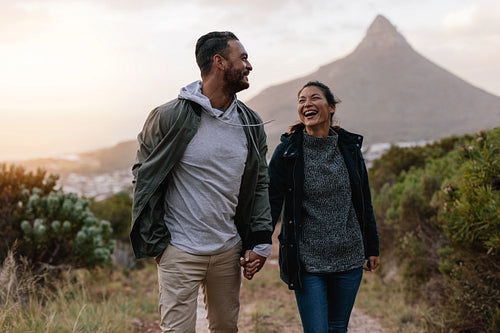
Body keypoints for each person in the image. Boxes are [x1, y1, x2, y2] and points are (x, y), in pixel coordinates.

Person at [130, 31, 273, 333]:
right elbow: (144, 177)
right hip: (179, 251)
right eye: (243, 58)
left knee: (225, 328)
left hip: (228, 250)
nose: (249, 65)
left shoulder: (251, 123)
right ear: (220, 62)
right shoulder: (168, 116)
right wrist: (158, 243)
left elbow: (260, 181)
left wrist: (260, 239)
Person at [268, 81, 380, 333]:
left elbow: (363, 200)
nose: (306, 104)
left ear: (330, 108)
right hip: (308, 261)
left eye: (314, 98)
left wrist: (372, 246)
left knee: (338, 327)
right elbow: (271, 201)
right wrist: (259, 243)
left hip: (349, 256)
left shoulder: (349, 149)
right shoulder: (287, 152)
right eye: (301, 100)